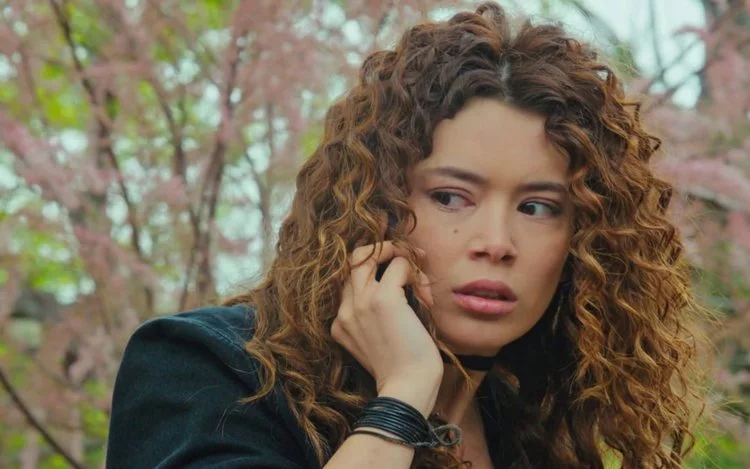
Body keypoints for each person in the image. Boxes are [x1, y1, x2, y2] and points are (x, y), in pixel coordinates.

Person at [105, 2, 708, 468]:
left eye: (538, 207)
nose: (496, 242)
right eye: (450, 197)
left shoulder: (538, 422)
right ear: (377, 205)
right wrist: (401, 400)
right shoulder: (207, 369)